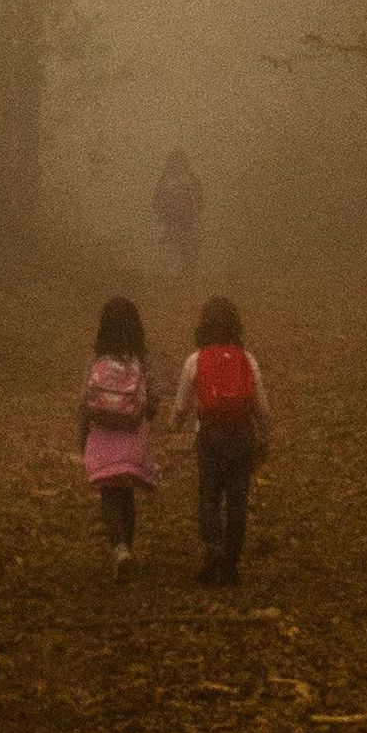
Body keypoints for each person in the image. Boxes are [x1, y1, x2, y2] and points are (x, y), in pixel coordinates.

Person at [175, 295, 269, 586]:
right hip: (242, 435)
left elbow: (181, 404)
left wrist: (174, 423)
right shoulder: (246, 358)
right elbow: (261, 404)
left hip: (210, 436)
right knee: (238, 500)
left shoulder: (196, 358)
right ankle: (231, 564)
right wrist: (265, 435)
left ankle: (212, 548)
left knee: (210, 495)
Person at [76, 296, 161, 565]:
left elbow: (85, 400)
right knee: (126, 492)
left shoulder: (97, 356)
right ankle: (128, 549)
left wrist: (82, 436)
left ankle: (120, 549)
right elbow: (152, 400)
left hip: (101, 432)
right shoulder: (141, 358)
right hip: (131, 433)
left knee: (109, 493)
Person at [152, 148, 206, 274]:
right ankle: (176, 276)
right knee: (172, 249)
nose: (177, 164)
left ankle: (186, 273)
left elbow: (199, 199)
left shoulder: (190, 178)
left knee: (189, 247)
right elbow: (156, 200)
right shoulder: (165, 180)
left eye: (179, 161)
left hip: (187, 219)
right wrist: (163, 213)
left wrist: (196, 212)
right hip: (171, 219)